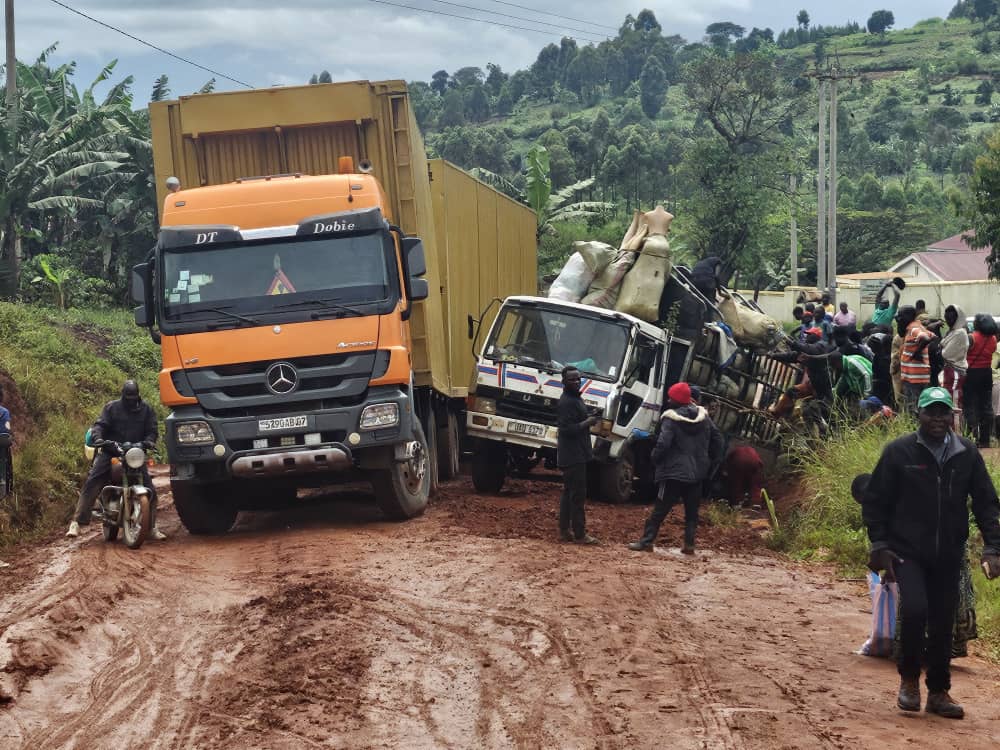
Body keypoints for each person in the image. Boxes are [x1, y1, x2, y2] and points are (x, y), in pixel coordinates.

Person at [863, 386, 1000, 718]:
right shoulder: (899, 452)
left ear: (951, 416)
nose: (938, 418)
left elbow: (986, 503)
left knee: (942, 622)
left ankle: (938, 692)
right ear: (919, 415)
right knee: (914, 610)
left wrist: (993, 547)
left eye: (943, 412)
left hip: (948, 554)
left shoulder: (966, 454)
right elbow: (876, 501)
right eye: (931, 412)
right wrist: (880, 545)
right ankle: (909, 681)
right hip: (907, 551)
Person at [628, 382, 723, 554]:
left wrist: (655, 459)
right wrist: (709, 462)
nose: (668, 399)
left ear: (677, 400)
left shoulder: (670, 418)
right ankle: (689, 545)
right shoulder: (704, 417)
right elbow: (718, 441)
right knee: (692, 511)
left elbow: (663, 443)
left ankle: (647, 541)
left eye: (670, 397)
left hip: (673, 473)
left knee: (660, 509)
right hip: (697, 474)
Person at [66, 381, 166, 541]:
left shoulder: (146, 410)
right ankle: (76, 522)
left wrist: (149, 441)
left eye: (134, 398)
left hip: (134, 453)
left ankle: (152, 526)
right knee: (94, 480)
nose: (131, 401)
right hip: (111, 452)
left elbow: (152, 430)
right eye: (128, 398)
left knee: (150, 488)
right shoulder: (111, 408)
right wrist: (99, 439)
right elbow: (99, 425)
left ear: (138, 396)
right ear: (123, 396)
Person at [557, 366, 599, 545]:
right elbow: (566, 429)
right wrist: (587, 422)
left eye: (578, 379)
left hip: (576, 453)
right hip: (573, 456)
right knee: (578, 496)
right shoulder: (567, 401)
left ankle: (565, 530)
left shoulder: (575, 398)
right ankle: (580, 534)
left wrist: (588, 417)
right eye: (572, 379)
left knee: (569, 494)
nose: (576, 382)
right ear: (564, 382)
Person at [963, 313, 998, 448]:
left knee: (970, 406)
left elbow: (964, 352)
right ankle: (985, 439)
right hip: (986, 374)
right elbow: (992, 351)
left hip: (972, 374)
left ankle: (971, 438)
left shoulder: (971, 338)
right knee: (985, 406)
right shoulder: (993, 339)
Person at [897, 305, 935, 414]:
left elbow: (926, 338)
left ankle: (914, 427)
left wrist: (916, 353)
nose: (899, 318)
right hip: (919, 375)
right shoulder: (917, 326)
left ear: (909, 316)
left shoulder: (913, 328)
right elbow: (932, 336)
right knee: (919, 405)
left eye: (901, 315)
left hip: (914, 378)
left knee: (913, 407)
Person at [939, 304, 968, 411]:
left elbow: (945, 354)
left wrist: (941, 348)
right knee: (948, 400)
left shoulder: (960, 333)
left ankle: (956, 427)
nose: (948, 321)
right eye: (947, 318)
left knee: (953, 403)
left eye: (951, 318)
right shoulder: (953, 332)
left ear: (958, 318)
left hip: (955, 370)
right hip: (950, 369)